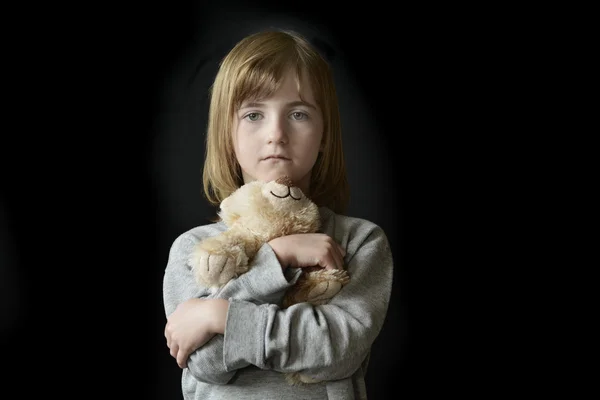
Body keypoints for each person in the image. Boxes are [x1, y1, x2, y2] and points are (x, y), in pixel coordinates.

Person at [162, 28, 394, 400]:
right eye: (253, 114)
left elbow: (336, 351)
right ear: (227, 135)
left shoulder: (359, 241)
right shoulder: (195, 250)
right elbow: (205, 360)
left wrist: (217, 316)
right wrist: (275, 260)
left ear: (324, 137)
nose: (276, 134)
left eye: (298, 114)